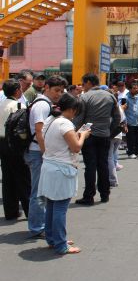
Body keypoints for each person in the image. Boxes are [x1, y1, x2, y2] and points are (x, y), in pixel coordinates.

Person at [38, 93, 90, 255]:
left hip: (49, 165)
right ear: (73, 109)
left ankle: (54, 239)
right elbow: (76, 147)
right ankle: (60, 244)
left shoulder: (50, 120)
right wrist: (83, 136)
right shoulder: (65, 124)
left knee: (52, 206)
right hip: (61, 168)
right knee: (60, 208)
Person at [25, 75, 66, 237]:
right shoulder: (42, 105)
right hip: (37, 152)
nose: (59, 94)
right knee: (38, 191)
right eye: (56, 90)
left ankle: (40, 225)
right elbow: (39, 131)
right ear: (46, 87)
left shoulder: (45, 103)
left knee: (42, 190)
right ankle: (36, 227)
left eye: (61, 91)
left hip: (38, 151)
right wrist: (46, 153)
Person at [73, 73, 121, 206]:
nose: (82, 87)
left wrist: (74, 134)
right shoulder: (110, 96)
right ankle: (105, 194)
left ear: (88, 82)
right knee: (103, 165)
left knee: (90, 167)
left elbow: (79, 119)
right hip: (104, 136)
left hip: (89, 136)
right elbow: (117, 118)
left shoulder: (85, 97)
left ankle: (89, 196)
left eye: (83, 84)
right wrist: (110, 131)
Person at [0, 79, 30, 220]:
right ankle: (30, 211)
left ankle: (11, 212)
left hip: (2, 143)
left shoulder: (1, 104)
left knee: (7, 178)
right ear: (17, 91)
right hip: (15, 144)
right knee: (23, 178)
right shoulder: (19, 105)